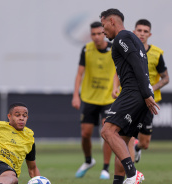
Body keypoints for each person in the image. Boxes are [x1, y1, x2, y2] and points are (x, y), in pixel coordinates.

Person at [100, 9, 160, 184]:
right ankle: (119, 181)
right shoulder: (135, 40)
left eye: (103, 25)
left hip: (133, 92)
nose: (103, 31)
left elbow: (135, 62)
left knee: (107, 131)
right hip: (141, 94)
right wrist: (147, 93)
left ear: (112, 21)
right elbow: (141, 64)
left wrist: (146, 93)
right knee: (122, 143)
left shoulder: (121, 38)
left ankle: (133, 175)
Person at [71, 21, 115, 179]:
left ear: (104, 34)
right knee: (85, 134)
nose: (96, 37)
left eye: (99, 33)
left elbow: (119, 71)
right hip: (89, 98)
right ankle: (88, 161)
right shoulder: (86, 49)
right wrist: (76, 95)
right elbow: (79, 74)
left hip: (108, 98)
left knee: (107, 133)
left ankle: (105, 168)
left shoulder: (113, 49)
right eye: (93, 34)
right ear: (91, 35)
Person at [133, 19, 169, 163]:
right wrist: (116, 87)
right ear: (134, 31)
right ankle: (127, 174)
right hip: (130, 99)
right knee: (125, 136)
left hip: (149, 102)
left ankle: (137, 148)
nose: (142, 34)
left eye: (145, 31)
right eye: (139, 30)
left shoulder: (156, 53)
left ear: (150, 34)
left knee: (144, 144)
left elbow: (166, 78)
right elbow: (117, 72)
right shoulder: (128, 50)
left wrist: (151, 88)